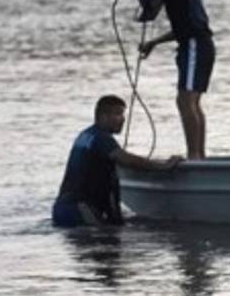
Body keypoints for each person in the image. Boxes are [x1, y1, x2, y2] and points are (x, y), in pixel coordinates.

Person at [52, 95, 180, 227]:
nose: (123, 119)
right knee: (104, 238)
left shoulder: (86, 135)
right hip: (79, 209)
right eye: (118, 114)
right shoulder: (101, 138)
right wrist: (163, 166)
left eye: (123, 114)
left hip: (62, 208)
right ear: (103, 116)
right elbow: (127, 160)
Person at [138, 0, 215, 159]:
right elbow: (154, 16)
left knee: (185, 101)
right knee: (191, 102)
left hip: (196, 45)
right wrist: (154, 42)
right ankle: (198, 155)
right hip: (191, 44)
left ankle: (195, 156)